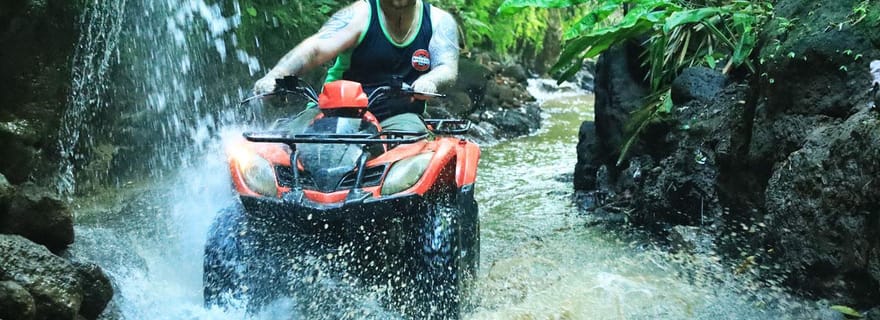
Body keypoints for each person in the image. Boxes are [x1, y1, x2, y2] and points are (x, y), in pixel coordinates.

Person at [253, 0, 459, 133]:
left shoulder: (439, 21)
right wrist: (277, 75)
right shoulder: (359, 14)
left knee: (413, 139)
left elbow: (446, 67)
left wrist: (430, 81)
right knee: (285, 143)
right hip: (333, 111)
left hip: (397, 118)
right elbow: (316, 49)